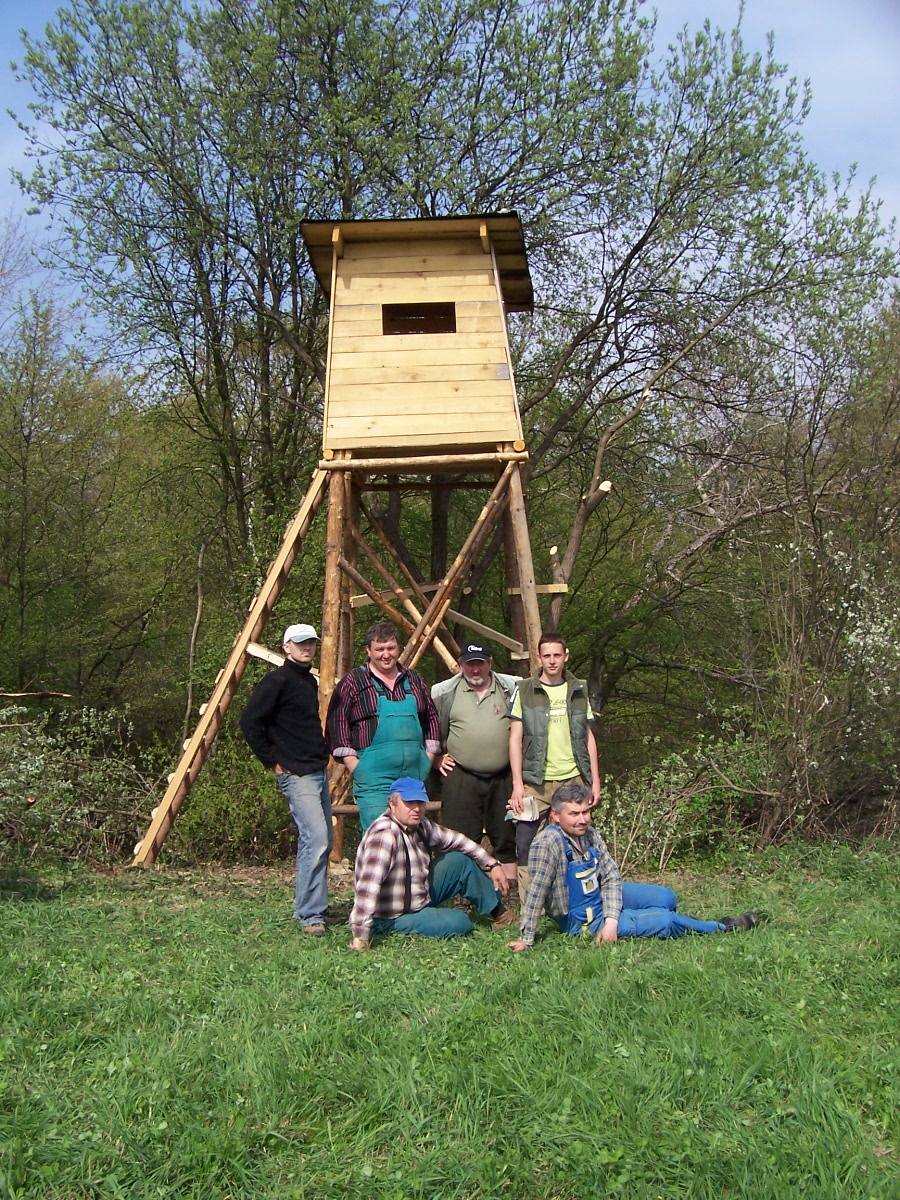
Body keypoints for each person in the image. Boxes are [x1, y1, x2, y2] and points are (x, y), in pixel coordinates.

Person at [508, 783, 760, 951]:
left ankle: (673, 920)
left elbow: (611, 876)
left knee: (666, 897)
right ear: (555, 815)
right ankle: (723, 926)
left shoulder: (590, 834)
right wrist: (526, 938)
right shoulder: (547, 843)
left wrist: (612, 920)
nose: (582, 819)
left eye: (585, 812)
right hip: (581, 919)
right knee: (665, 919)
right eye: (574, 814)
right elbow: (536, 891)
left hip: (600, 896)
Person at [239, 622, 332, 936]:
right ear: (286, 647)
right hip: (296, 772)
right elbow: (249, 721)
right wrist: (272, 762)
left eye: (311, 643)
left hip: (316, 769)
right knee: (317, 839)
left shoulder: (308, 682)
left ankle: (306, 908)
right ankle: (311, 916)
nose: (307, 648)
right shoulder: (276, 680)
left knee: (319, 841)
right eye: (301, 643)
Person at [349, 777, 516, 949]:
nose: (416, 809)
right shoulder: (384, 836)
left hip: (417, 896)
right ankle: (385, 929)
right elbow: (368, 888)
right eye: (409, 802)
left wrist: (492, 864)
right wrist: (361, 936)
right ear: (392, 804)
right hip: (390, 915)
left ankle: (501, 914)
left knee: (458, 861)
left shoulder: (420, 825)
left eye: (420, 802)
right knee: (460, 922)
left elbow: (457, 840)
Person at [508, 633, 601, 892]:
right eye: (546, 655)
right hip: (535, 782)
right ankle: (529, 911)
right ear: (539, 657)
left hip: (573, 778)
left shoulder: (579, 690)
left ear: (566, 656)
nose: (552, 661)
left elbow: (588, 737)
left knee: (579, 841)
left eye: (556, 655)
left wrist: (594, 781)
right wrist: (517, 784)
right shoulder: (524, 690)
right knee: (525, 842)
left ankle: (580, 900)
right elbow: (515, 738)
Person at [326, 622, 441, 831]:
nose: (386, 655)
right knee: (378, 835)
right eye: (379, 649)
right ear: (369, 651)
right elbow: (336, 724)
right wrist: (357, 767)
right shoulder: (354, 681)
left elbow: (431, 718)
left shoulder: (414, 679)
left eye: (391, 648)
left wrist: (428, 758)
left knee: (413, 835)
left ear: (398, 648)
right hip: (374, 780)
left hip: (413, 776)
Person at [431, 641, 519, 890]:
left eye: (480, 663)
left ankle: (509, 894)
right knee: (459, 838)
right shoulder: (443, 693)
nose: (475, 669)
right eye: (470, 664)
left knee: (505, 837)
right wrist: (436, 759)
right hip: (461, 774)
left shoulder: (510, 688)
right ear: (461, 666)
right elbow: (428, 731)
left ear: (489, 664)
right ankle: (461, 894)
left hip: (503, 775)